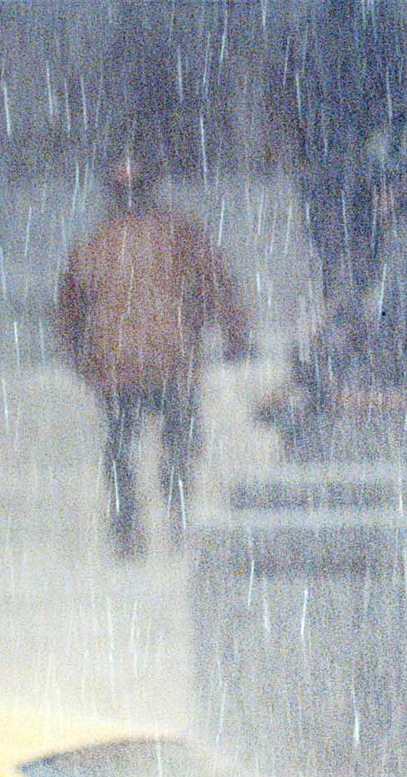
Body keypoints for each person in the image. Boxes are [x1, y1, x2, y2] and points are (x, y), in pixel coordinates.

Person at [53, 155, 251, 561]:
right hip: (171, 358)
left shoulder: (95, 242)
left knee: (120, 446)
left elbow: (70, 308)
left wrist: (80, 356)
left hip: (115, 364)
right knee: (177, 442)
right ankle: (177, 517)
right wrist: (234, 336)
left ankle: (127, 528)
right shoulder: (180, 233)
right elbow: (217, 284)